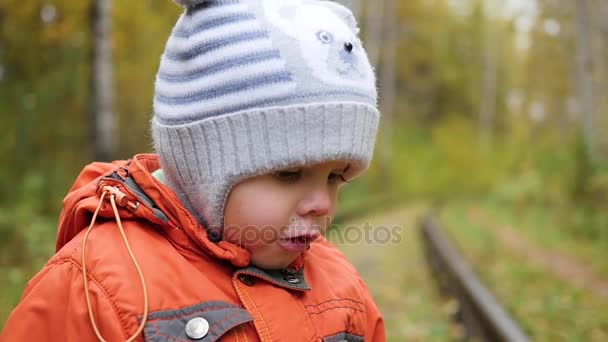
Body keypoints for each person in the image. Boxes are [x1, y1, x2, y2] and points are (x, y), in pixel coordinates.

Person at [1, 0, 384, 340]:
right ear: (202, 170)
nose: (321, 203)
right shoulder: (96, 291)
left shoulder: (341, 287)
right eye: (287, 173)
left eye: (336, 176)